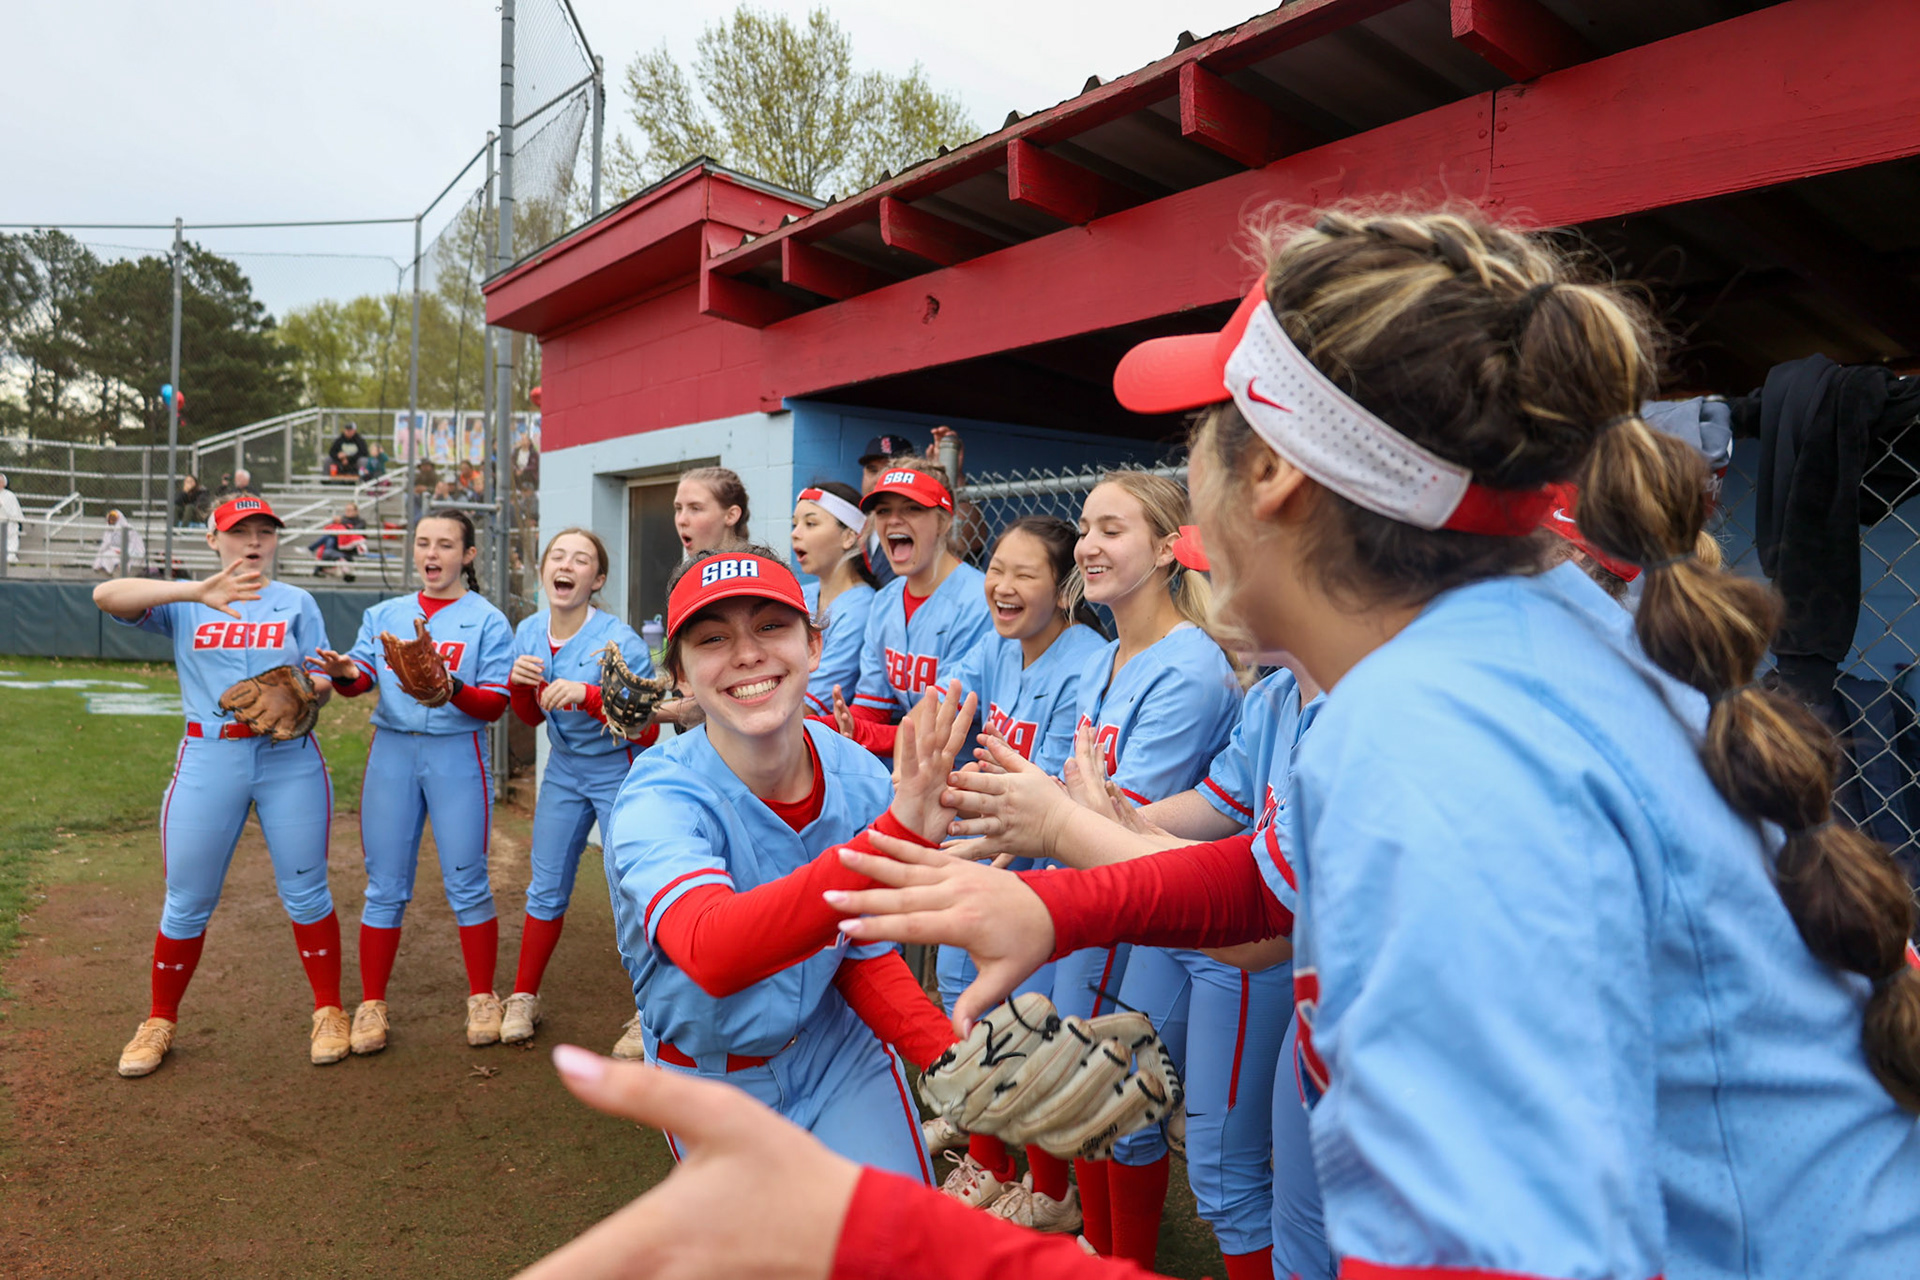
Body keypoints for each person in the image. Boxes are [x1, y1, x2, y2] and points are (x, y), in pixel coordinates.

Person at [822, 211, 1920, 1278]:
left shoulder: (1436, 740)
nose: (1190, 459)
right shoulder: (1477, 654)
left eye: (1205, 426)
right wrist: (1056, 904)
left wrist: (910, 1244)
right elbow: (1280, 883)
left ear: (1274, 478)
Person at [601, 546, 972, 1178]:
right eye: (713, 638)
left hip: (839, 1052)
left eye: (771, 626)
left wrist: (954, 1062)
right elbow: (714, 953)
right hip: (710, 1078)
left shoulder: (856, 774)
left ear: (815, 648)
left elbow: (858, 949)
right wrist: (890, 840)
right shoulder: (656, 796)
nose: (747, 652)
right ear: (682, 678)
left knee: (901, 1246)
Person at [91, 493, 348, 1077]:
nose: (253, 542)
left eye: (264, 531)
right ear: (213, 540)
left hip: (288, 758)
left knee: (307, 891)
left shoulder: (297, 602)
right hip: (210, 755)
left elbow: (318, 680)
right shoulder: (185, 602)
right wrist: (193, 591)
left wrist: (312, 692)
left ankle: (330, 1010)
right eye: (239, 531)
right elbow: (106, 596)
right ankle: (159, 1019)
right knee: (187, 900)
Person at [921, 515, 1108, 1226]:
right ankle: (991, 1153)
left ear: (1062, 588)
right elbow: (941, 707)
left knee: (1016, 1031)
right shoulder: (1000, 647)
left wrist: (955, 868)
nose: (1000, 584)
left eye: (1022, 573)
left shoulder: (1087, 659)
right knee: (965, 1013)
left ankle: (1037, 1184)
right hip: (986, 862)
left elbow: (1049, 799)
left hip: (1039, 887)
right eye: (995, 567)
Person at [312, 510, 515, 1053]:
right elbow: (362, 679)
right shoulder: (387, 612)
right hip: (394, 754)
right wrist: (343, 673)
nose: (432, 554)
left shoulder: (488, 620)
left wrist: (450, 689)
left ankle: (483, 996)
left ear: (467, 556)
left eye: (446, 545)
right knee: (384, 886)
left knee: (468, 880)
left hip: (456, 753)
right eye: (423, 542)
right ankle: (372, 1004)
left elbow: (496, 704)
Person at [505, 528, 661, 1052]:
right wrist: (518, 687)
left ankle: (651, 1012)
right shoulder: (528, 631)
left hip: (618, 769)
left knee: (630, 890)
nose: (566, 565)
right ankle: (524, 995)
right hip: (564, 769)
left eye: (582, 559)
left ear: (596, 580)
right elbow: (528, 715)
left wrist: (592, 694)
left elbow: (647, 729)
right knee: (545, 886)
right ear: (544, 569)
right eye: (558, 555)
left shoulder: (620, 639)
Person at [833, 464, 993, 757]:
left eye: (912, 509)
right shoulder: (885, 602)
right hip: (907, 767)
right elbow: (872, 707)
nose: (894, 520)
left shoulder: (979, 601)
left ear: (944, 522)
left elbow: (936, 728)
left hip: (965, 774)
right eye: (882, 511)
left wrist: (842, 733)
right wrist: (836, 727)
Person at [790, 481, 878, 716]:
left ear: (849, 537)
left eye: (810, 524)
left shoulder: (861, 607)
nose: (795, 533)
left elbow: (808, 709)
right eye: (795, 524)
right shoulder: (801, 593)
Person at [856, 434, 919, 590]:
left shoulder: (921, 524)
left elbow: (966, 539)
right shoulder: (853, 524)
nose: (878, 479)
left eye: (888, 470)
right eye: (872, 470)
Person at [674, 466, 751, 557]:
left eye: (695, 508)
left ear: (731, 515)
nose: (681, 521)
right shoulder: (689, 570)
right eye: (679, 508)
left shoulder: (759, 569)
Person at [308, 502, 367, 581]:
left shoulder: (360, 521)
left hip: (350, 548)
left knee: (328, 542)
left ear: (356, 511)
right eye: (346, 510)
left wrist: (341, 524)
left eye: (350, 510)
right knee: (329, 539)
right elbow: (334, 529)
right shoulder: (342, 519)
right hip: (337, 546)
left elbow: (353, 532)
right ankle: (322, 565)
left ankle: (317, 564)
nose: (347, 512)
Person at [92, 509, 146, 576]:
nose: (112, 520)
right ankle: (110, 571)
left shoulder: (129, 529)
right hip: (116, 552)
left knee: (116, 557)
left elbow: (134, 545)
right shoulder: (109, 530)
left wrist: (123, 552)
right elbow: (105, 544)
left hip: (131, 553)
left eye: (114, 518)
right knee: (108, 554)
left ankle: (121, 570)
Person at [0, 472, 22, 565]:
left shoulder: (10, 496)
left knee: (11, 533)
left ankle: (10, 557)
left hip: (7, 524)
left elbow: (14, 513)